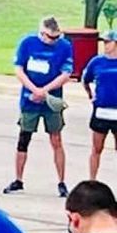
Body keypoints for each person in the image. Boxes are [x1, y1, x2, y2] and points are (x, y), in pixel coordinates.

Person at [9, 14, 73, 197]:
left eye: (56, 37)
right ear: (42, 33)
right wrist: (33, 90)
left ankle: (61, 181)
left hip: (51, 100)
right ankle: (18, 179)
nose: (53, 40)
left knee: (56, 139)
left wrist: (44, 91)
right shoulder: (27, 43)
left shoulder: (64, 46)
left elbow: (66, 73)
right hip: (29, 99)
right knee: (24, 138)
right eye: (50, 37)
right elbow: (19, 69)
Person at [82, 29, 117, 182]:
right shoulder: (96, 62)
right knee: (96, 148)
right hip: (101, 111)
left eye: (108, 42)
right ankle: (92, 180)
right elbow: (86, 79)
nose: (105, 45)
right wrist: (91, 95)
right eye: (104, 42)